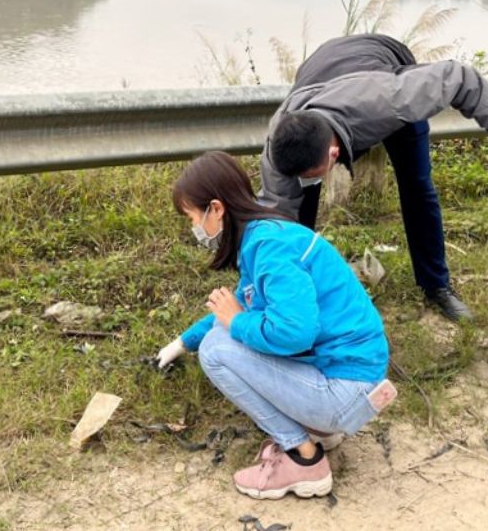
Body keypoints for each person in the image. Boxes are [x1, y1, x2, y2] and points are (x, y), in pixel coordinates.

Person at [154, 151, 396, 499]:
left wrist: (236, 323)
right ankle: (319, 429)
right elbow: (235, 310)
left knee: (216, 351)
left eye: (193, 217)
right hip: (352, 376)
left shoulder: (269, 250)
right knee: (218, 337)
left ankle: (303, 457)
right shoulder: (264, 238)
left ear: (216, 209)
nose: (194, 229)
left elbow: (294, 331)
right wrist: (182, 342)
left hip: (345, 389)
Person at [259, 34, 488, 322]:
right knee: (299, 203)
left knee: (417, 187)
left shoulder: (392, 99)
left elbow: (458, 76)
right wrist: (268, 276)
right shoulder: (281, 143)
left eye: (316, 172)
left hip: (382, 66)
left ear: (333, 153)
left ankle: (436, 286)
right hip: (321, 68)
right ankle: (300, 284)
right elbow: (277, 217)